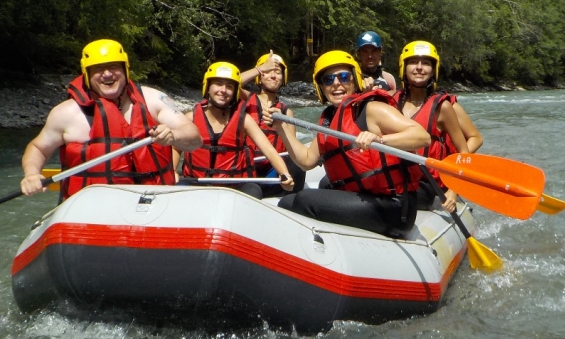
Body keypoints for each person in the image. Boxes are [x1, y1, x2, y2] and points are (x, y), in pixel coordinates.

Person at [269, 50, 430, 237]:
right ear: (321, 87)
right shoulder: (329, 120)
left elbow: (421, 136)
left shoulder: (371, 109)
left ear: (354, 80)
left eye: (344, 77)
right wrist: (281, 128)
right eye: (328, 80)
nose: (336, 83)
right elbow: (306, 161)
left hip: (393, 208)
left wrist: (380, 140)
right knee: (287, 203)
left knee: (304, 199)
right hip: (364, 200)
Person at [20, 38, 202, 200]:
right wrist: (31, 174)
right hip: (91, 211)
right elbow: (38, 148)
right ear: (87, 74)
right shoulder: (66, 113)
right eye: (98, 69)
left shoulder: (153, 100)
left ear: (125, 69)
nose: (107, 74)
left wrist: (174, 136)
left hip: (151, 204)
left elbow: (195, 139)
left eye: (114, 66)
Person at [179, 62, 294, 199]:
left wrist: (284, 173)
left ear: (234, 92)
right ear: (207, 86)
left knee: (253, 190)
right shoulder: (190, 118)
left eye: (229, 86)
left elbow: (268, 149)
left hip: (233, 185)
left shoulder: (244, 119)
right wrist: (173, 170)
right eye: (218, 84)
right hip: (196, 182)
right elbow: (175, 147)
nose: (223, 90)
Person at [394, 40, 475, 212]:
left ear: (433, 70)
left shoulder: (443, 107)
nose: (419, 67)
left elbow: (464, 153)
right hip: (396, 174)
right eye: (413, 62)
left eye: (426, 63)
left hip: (426, 182)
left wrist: (453, 192)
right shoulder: (390, 102)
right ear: (404, 66)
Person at [238, 51, 306, 194]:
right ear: (259, 77)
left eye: (277, 72)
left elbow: (292, 151)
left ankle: (290, 198)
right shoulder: (245, 99)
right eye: (267, 72)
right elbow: (231, 83)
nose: (273, 76)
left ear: (283, 78)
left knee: (296, 164)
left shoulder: (287, 113)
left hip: (274, 172)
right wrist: (259, 69)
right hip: (248, 170)